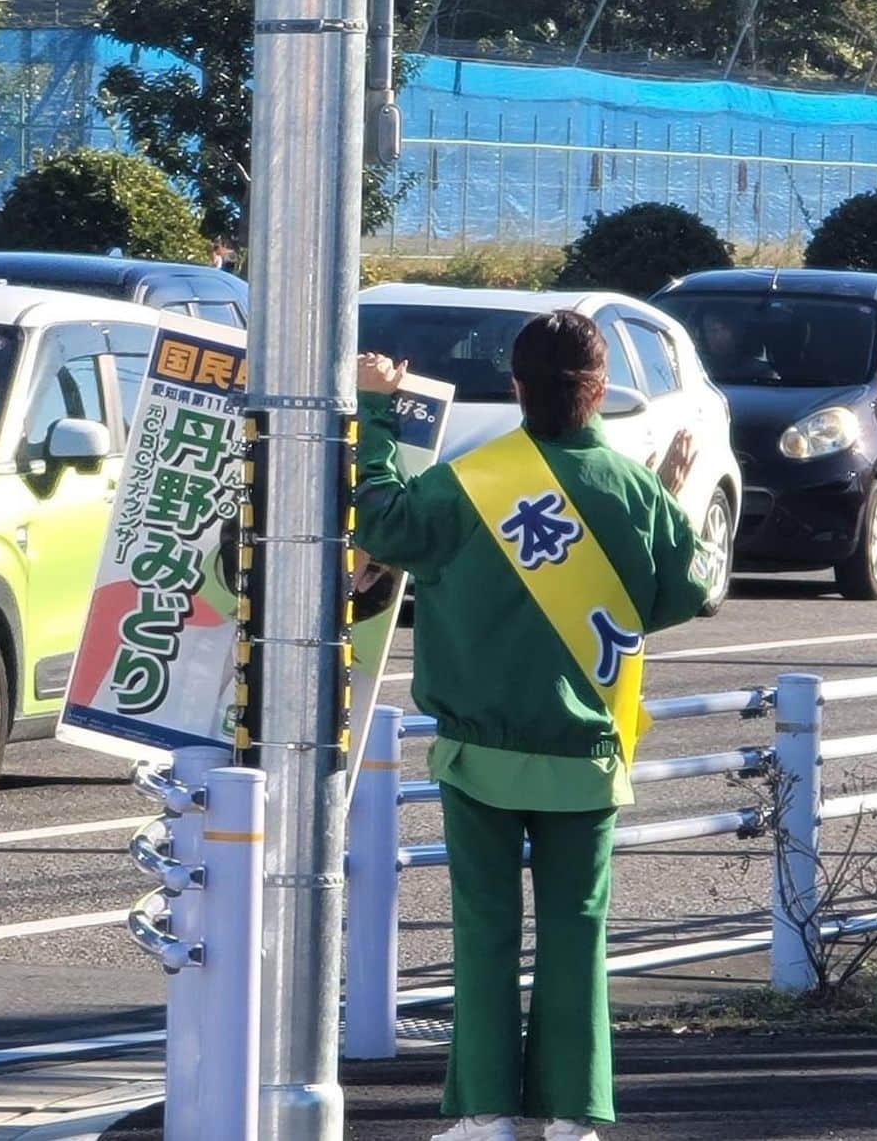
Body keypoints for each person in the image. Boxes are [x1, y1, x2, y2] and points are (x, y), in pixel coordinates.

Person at [355, 312, 709, 1141]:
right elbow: (679, 594)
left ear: (516, 388)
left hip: (479, 752)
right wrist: (667, 495)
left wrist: (376, 412)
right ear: (598, 394)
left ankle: (484, 1114)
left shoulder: (475, 480)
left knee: (483, 931)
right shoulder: (633, 488)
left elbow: (381, 520)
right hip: (584, 753)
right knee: (576, 933)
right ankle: (573, 1116)